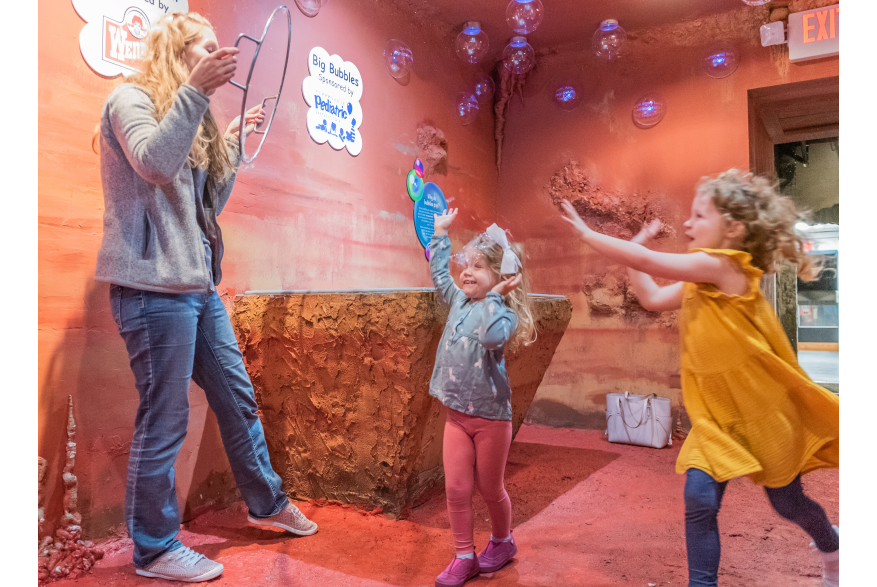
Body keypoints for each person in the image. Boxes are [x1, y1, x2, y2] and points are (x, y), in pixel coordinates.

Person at [94, 12, 316, 583]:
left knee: (236, 396)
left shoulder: (193, 117)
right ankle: (154, 548)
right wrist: (195, 95)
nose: (222, 54)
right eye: (208, 46)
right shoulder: (130, 100)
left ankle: (266, 501)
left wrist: (233, 143)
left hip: (196, 289)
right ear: (179, 49)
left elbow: (206, 207)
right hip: (151, 292)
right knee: (163, 419)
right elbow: (152, 162)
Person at [559, 169, 839, 587]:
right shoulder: (699, 283)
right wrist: (634, 244)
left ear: (734, 229)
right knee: (699, 499)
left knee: (787, 502)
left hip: (761, 413)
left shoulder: (727, 268)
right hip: (716, 418)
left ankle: (831, 547)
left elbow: (650, 262)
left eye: (699, 216)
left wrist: (587, 233)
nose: (688, 224)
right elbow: (652, 296)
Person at [428, 209, 537, 587]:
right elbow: (441, 275)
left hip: (492, 420)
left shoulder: (501, 314)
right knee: (456, 489)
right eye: (467, 265)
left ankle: (503, 542)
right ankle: (463, 557)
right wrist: (440, 235)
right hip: (457, 415)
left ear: (502, 279)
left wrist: (494, 297)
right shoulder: (459, 301)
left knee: (491, 489)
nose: (466, 272)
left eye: (478, 267)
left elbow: (491, 339)